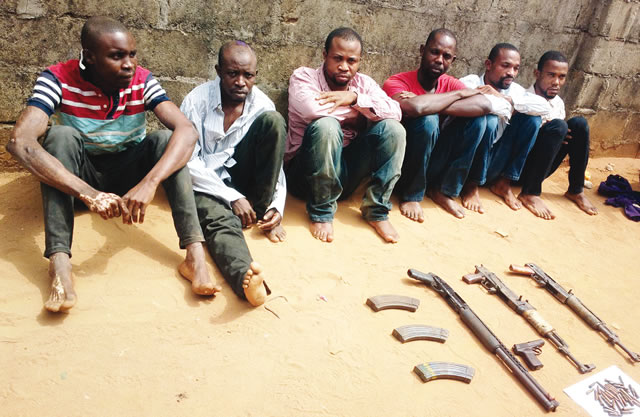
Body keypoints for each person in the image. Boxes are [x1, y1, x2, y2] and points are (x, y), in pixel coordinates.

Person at [7, 16, 219, 313]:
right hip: (78, 180)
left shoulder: (142, 80)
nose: (129, 64)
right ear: (90, 57)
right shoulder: (57, 78)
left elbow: (187, 131)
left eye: (132, 54)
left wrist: (149, 184)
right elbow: (20, 142)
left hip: (130, 180)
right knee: (61, 137)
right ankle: (59, 263)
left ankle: (195, 256)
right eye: (117, 56)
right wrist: (88, 193)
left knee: (165, 139)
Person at [180, 41, 287, 306]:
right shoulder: (196, 100)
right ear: (218, 71)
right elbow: (188, 162)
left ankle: (261, 214)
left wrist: (277, 205)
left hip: (243, 181)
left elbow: (275, 162)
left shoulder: (262, 104)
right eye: (232, 74)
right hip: (206, 183)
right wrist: (231, 197)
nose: (240, 82)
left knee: (274, 123)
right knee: (219, 221)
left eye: (247, 75)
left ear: (255, 75)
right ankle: (245, 280)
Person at [285, 27, 406, 243]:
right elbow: (313, 110)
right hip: (304, 175)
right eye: (337, 58)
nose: (344, 66)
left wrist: (355, 98)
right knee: (327, 126)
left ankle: (376, 210)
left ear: (359, 61)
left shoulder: (363, 84)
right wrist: (359, 114)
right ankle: (321, 212)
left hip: (345, 173)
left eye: (351, 61)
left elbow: (395, 112)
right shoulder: (304, 77)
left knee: (393, 129)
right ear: (325, 55)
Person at [383, 28, 498, 220]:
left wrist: (432, 104)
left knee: (479, 121)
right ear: (422, 50)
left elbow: (484, 104)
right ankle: (411, 195)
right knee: (428, 120)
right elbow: (415, 108)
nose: (439, 60)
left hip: (435, 160)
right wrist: (457, 96)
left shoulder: (450, 84)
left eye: (446, 56)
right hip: (404, 164)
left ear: (453, 60)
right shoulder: (397, 82)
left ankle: (443, 190)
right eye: (434, 52)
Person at [460, 43, 551, 213]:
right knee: (490, 120)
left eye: (516, 68)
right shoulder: (470, 82)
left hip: (494, 160)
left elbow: (545, 107)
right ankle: (471, 185)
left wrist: (507, 99)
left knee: (533, 120)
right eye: (505, 66)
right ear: (488, 64)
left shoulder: (514, 91)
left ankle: (504, 183)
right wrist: (508, 105)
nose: (511, 73)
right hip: (467, 161)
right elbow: (486, 106)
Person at [517, 51, 598, 219]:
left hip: (541, 169)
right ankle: (530, 193)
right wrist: (550, 130)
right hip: (518, 168)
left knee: (579, 124)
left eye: (561, 77)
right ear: (537, 73)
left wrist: (557, 135)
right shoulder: (522, 99)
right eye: (551, 75)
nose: (556, 82)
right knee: (558, 126)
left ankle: (576, 190)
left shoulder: (558, 103)